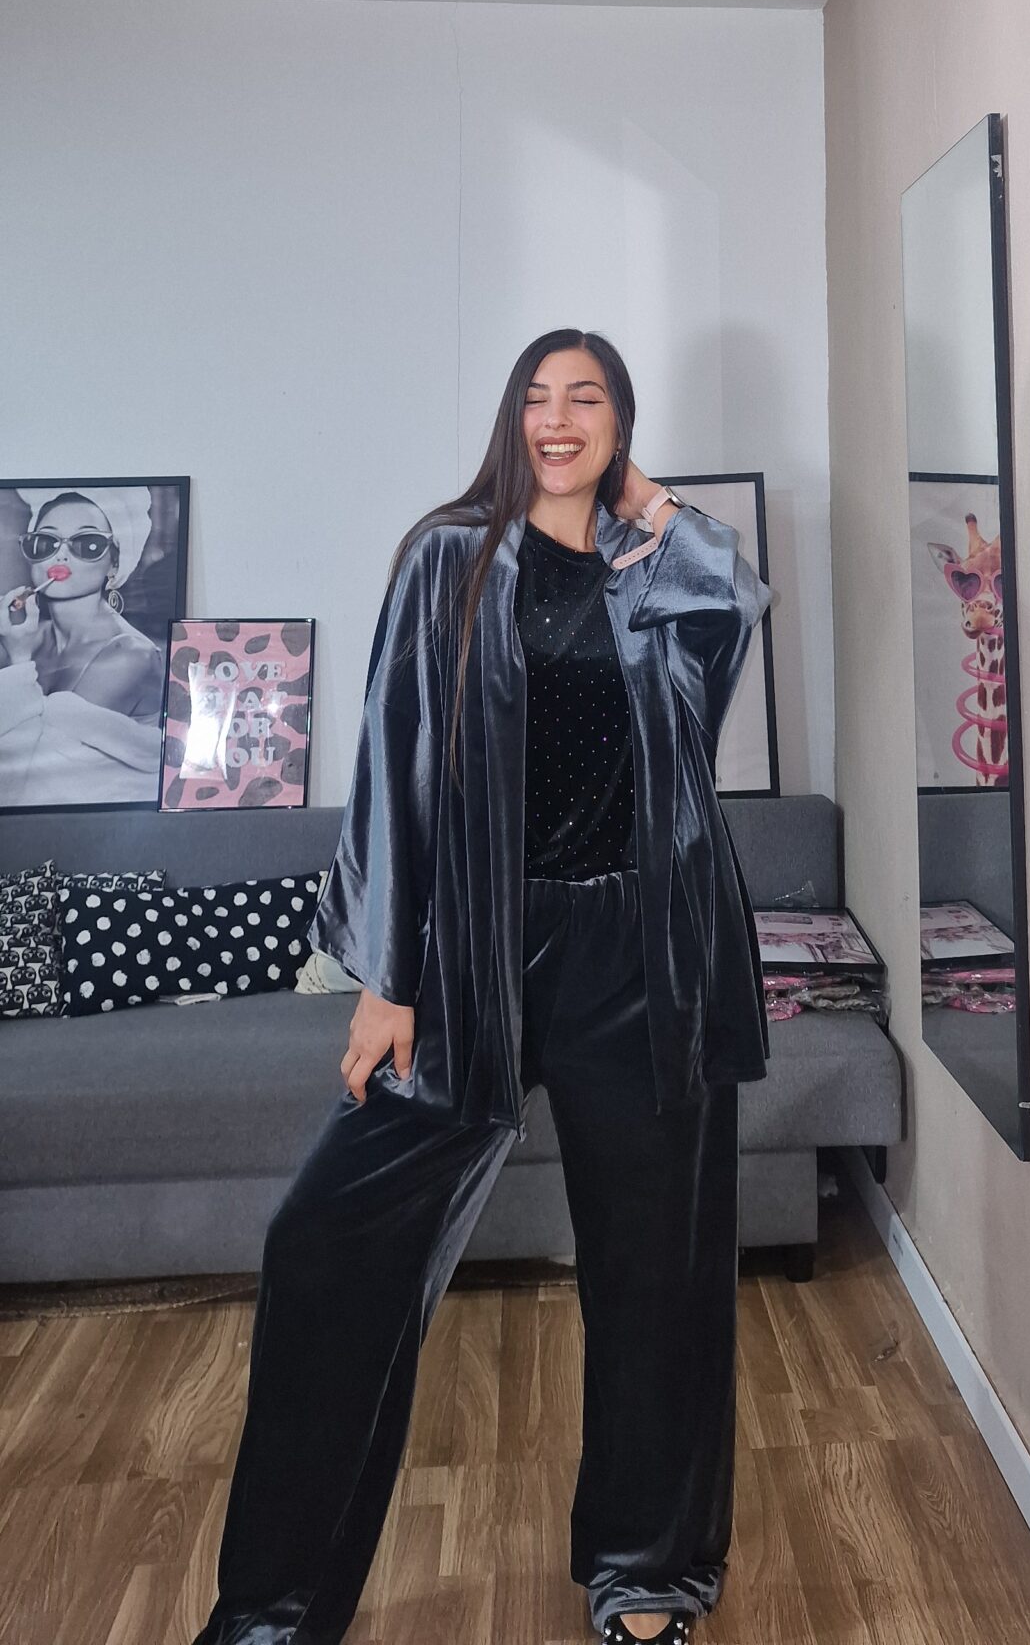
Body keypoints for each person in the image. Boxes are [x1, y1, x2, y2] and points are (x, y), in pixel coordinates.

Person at [192, 327, 773, 1645]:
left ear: (621, 423)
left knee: (658, 1270)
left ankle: (646, 1575)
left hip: (646, 952)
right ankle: (274, 1612)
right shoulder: (449, 557)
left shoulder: (654, 568)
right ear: (511, 421)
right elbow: (394, 760)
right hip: (477, 948)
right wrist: (387, 978)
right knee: (325, 1242)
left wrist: (645, 505)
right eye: (537, 398)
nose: (558, 419)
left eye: (588, 398)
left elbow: (732, 607)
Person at [0, 487, 165, 807]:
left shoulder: (130, 656)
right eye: (45, 542)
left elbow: (27, 777)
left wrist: (18, 659)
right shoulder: (26, 635)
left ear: (114, 564)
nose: (60, 555)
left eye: (87, 544)